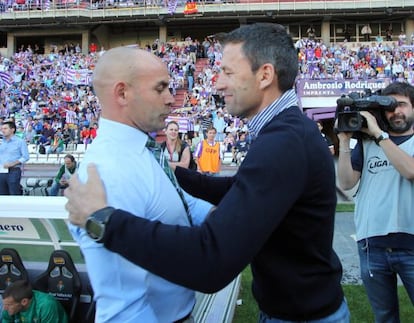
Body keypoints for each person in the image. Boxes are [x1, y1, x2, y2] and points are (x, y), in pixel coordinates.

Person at [65, 23, 349, 323]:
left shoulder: (283, 142)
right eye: (160, 88)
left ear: (265, 75)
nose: (217, 84)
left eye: (227, 72)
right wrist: (175, 175)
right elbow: (245, 190)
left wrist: (102, 220)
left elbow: (211, 260)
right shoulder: (289, 132)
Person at [66, 46, 212, 322]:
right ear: (122, 93)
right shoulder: (108, 172)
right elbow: (124, 308)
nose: (171, 99)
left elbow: (179, 202)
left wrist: (224, 217)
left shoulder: (141, 149)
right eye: (160, 89)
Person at [336, 81, 414, 322]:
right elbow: (347, 182)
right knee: (384, 317)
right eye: (389, 107)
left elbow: (410, 171)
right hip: (372, 246)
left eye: (401, 104)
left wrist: (380, 136)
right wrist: (345, 142)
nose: (395, 111)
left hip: (411, 244)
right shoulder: (368, 144)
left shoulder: (379, 139)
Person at [1, 280, 68, 323]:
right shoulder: (8, 305)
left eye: (9, 305)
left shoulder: (46, 305)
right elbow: (6, 320)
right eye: (5, 304)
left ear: (24, 302)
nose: (5, 308)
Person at [0, 121, 29, 195]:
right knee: (2, 194)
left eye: (5, 128)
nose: (3, 130)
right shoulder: (1, 142)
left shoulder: (20, 142)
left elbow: (25, 157)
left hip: (13, 171)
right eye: (2, 129)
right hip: (1, 171)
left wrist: (12, 163)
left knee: (14, 193)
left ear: (12, 129)